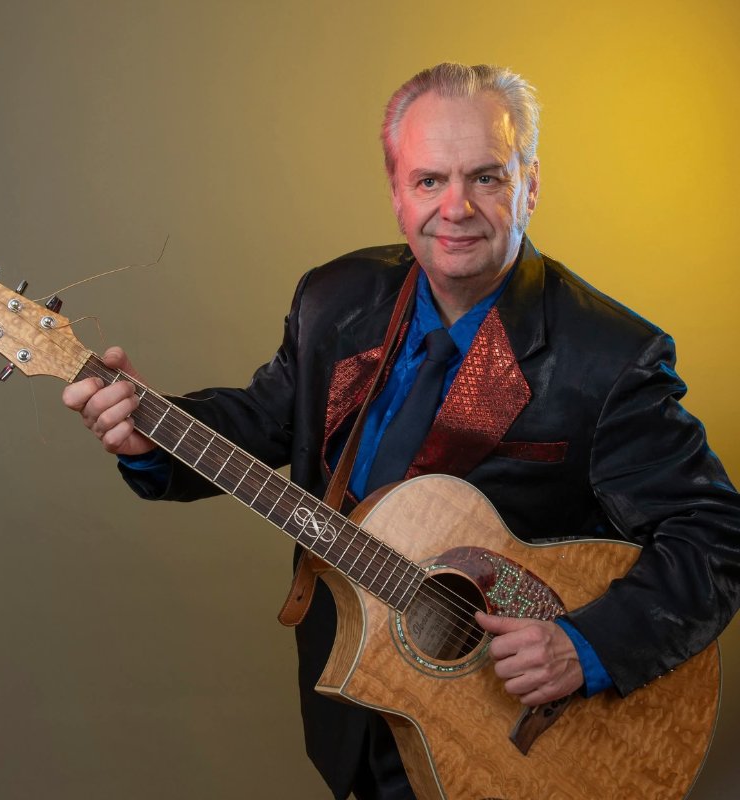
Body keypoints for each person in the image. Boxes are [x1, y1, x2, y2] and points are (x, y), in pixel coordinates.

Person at [62, 63, 740, 800]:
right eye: (429, 180)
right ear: (396, 193)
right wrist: (150, 430)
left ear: (531, 184)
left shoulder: (607, 355)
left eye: (487, 177)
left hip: (524, 729)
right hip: (366, 694)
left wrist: (585, 647)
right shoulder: (335, 299)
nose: (456, 208)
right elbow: (262, 419)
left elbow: (717, 536)